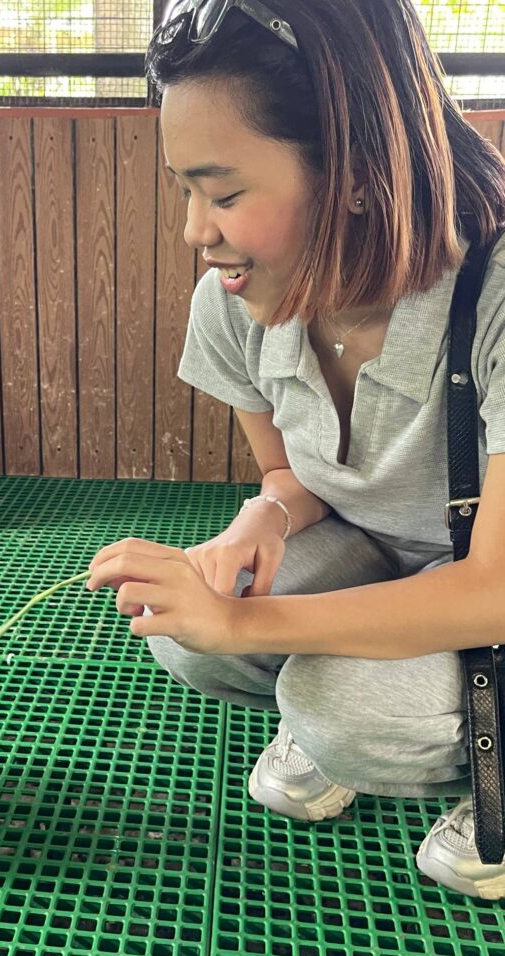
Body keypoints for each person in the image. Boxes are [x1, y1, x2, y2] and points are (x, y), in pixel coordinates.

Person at [85, 0, 505, 899]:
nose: (198, 231)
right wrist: (265, 515)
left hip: (490, 580)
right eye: (186, 190)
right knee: (185, 634)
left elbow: (495, 589)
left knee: (329, 706)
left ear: (354, 172)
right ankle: (355, 722)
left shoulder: (494, 295)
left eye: (226, 193)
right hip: (382, 549)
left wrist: (244, 621)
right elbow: (288, 471)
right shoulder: (237, 297)